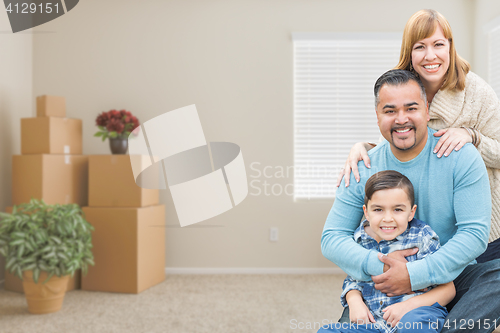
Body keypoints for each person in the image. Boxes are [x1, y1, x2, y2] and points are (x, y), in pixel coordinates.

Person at [322, 69, 500, 333]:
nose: (401, 119)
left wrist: (414, 275)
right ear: (378, 115)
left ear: (427, 110)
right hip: (383, 280)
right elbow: (332, 238)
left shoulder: (461, 156)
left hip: (451, 276)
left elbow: (474, 234)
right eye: (390, 110)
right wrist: (383, 266)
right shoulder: (364, 165)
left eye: (411, 108)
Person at [335, 9, 500, 253]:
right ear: (409, 52)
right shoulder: (400, 87)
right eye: (420, 47)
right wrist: (365, 147)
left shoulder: (477, 92)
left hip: (480, 225)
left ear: (450, 47)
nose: (430, 55)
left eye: (438, 44)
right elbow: (397, 142)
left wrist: (472, 136)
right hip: (420, 223)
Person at [319, 170, 454, 333]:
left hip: (418, 313)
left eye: (398, 210)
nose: (388, 218)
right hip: (375, 321)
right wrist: (355, 302)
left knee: (413, 326)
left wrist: (408, 306)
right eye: (378, 210)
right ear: (366, 212)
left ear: (411, 212)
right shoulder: (360, 238)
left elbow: (448, 289)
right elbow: (353, 280)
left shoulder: (422, 236)